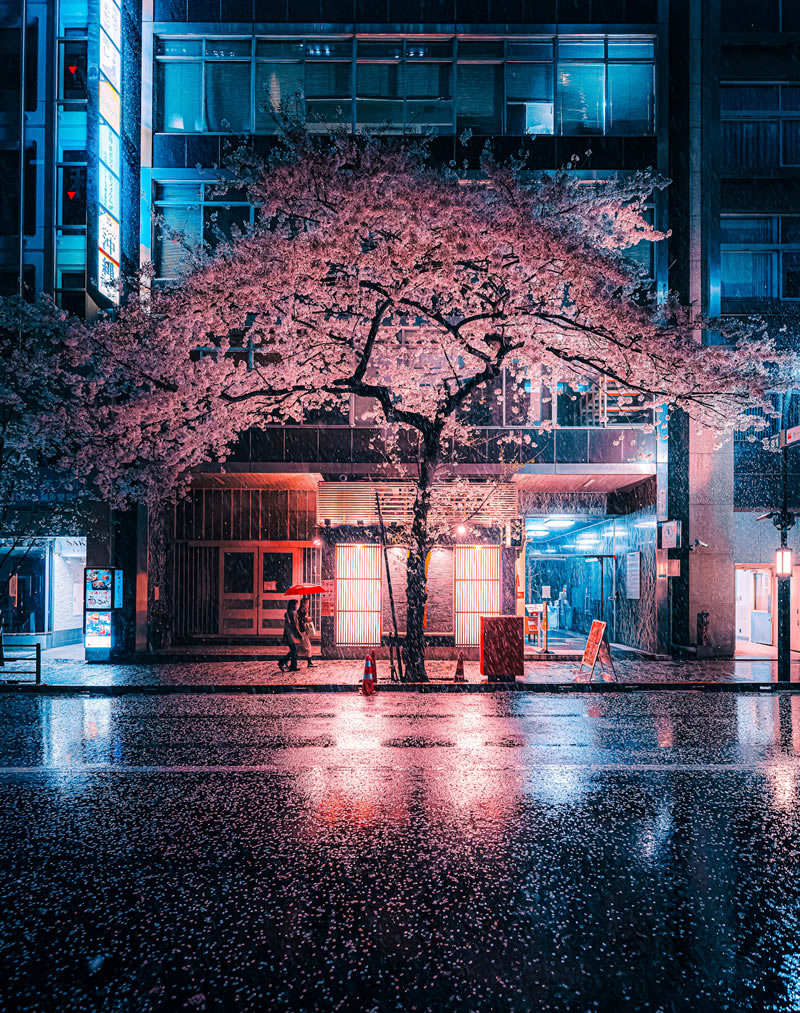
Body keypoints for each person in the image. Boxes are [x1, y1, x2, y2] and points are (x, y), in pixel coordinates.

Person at [279, 599, 301, 672]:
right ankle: (283, 662)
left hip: (291, 634)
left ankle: (292, 666)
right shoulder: (291, 614)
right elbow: (294, 626)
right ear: (293, 605)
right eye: (297, 604)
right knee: (294, 650)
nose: (298, 606)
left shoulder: (293, 613)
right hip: (291, 635)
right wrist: (299, 634)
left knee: (294, 650)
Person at [296, 597, 315, 668]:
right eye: (307, 602)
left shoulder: (304, 610)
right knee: (308, 647)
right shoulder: (300, 611)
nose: (308, 604)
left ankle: (286, 660)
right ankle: (309, 662)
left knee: (300, 648)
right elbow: (300, 620)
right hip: (302, 631)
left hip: (304, 630)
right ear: (303, 603)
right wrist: (305, 619)